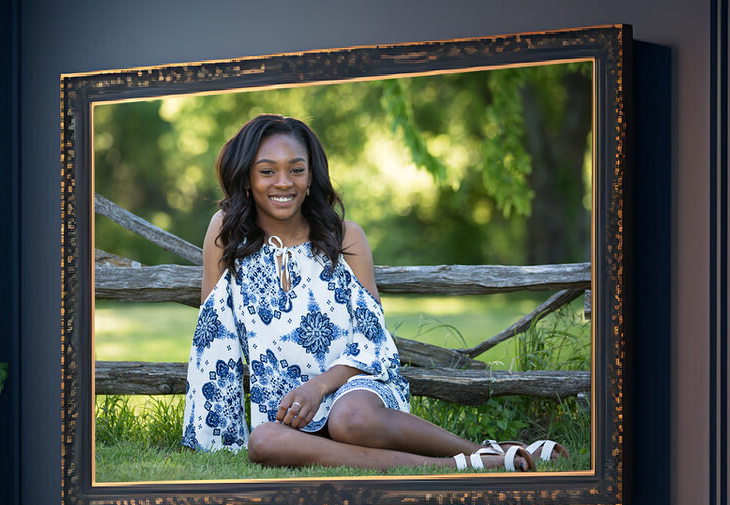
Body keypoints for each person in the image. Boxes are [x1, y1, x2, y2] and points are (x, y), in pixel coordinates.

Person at [182, 114, 535, 472]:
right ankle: (445, 466)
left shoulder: (345, 237)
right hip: (287, 409)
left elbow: (373, 337)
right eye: (268, 171)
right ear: (247, 179)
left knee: (349, 420)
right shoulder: (227, 235)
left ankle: (481, 451)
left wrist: (319, 387)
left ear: (311, 177)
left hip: (357, 387)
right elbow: (215, 339)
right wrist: (216, 434)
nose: (284, 183)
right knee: (264, 441)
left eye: (297, 170)